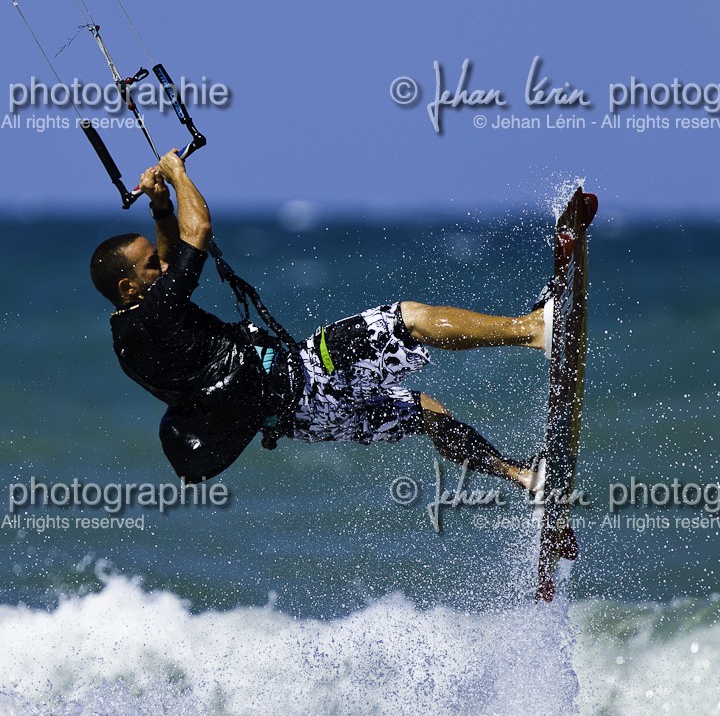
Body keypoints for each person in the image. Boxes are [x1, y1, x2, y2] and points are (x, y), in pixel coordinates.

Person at [89, 151, 547, 486]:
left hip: (299, 421)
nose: (163, 267)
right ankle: (532, 331)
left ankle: (524, 477)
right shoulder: (157, 311)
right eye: (150, 266)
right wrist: (177, 173)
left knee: (427, 413)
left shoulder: (131, 332)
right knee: (406, 318)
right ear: (129, 288)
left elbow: (171, 252)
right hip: (306, 375)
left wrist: (161, 204)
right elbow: (199, 232)